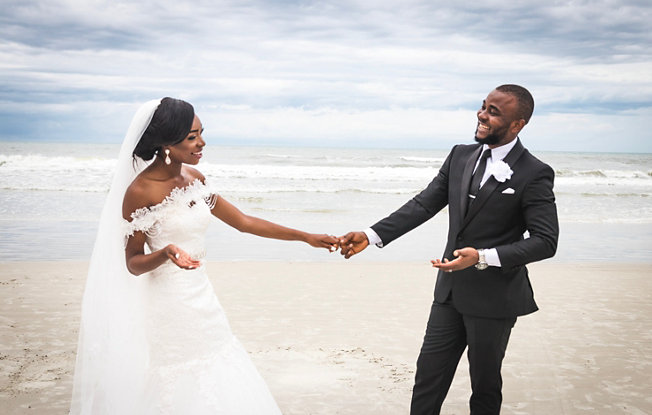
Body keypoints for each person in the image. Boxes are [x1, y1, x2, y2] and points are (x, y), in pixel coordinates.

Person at [70, 97, 338, 414]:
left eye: (201, 133)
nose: (202, 142)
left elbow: (244, 222)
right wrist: (166, 253)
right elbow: (132, 263)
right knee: (177, 376)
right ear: (166, 144)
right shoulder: (140, 192)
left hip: (202, 294)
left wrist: (306, 237)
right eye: (192, 137)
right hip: (169, 302)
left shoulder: (195, 179)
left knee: (218, 363)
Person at [339, 85, 559, 415]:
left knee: (484, 385)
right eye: (484, 107)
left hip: (495, 298)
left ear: (518, 125)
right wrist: (370, 235)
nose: (482, 115)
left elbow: (545, 241)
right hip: (449, 294)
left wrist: (484, 257)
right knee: (428, 377)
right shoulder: (460, 155)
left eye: (494, 112)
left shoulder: (534, 172)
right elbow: (423, 204)